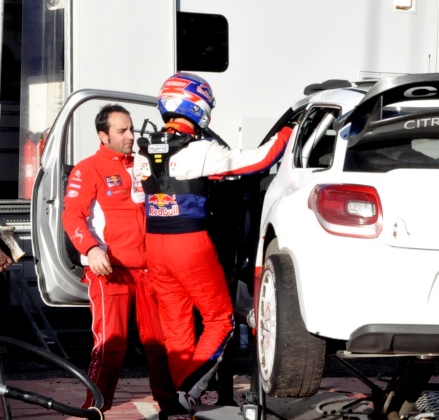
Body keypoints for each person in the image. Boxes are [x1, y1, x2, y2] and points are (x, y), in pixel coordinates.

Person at [134, 72, 292, 413]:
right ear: (198, 105)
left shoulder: (142, 150)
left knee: (177, 331)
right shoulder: (201, 149)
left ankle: (177, 407)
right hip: (189, 243)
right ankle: (188, 393)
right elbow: (260, 160)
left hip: (155, 245)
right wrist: (289, 131)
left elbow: (138, 198)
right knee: (221, 320)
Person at [62, 104, 177, 417]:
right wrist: (91, 249)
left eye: (132, 129)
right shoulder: (88, 169)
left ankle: (170, 404)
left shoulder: (143, 163)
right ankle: (95, 409)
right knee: (111, 346)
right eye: (122, 130)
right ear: (103, 135)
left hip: (150, 268)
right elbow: (72, 214)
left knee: (160, 344)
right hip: (109, 270)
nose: (131, 136)